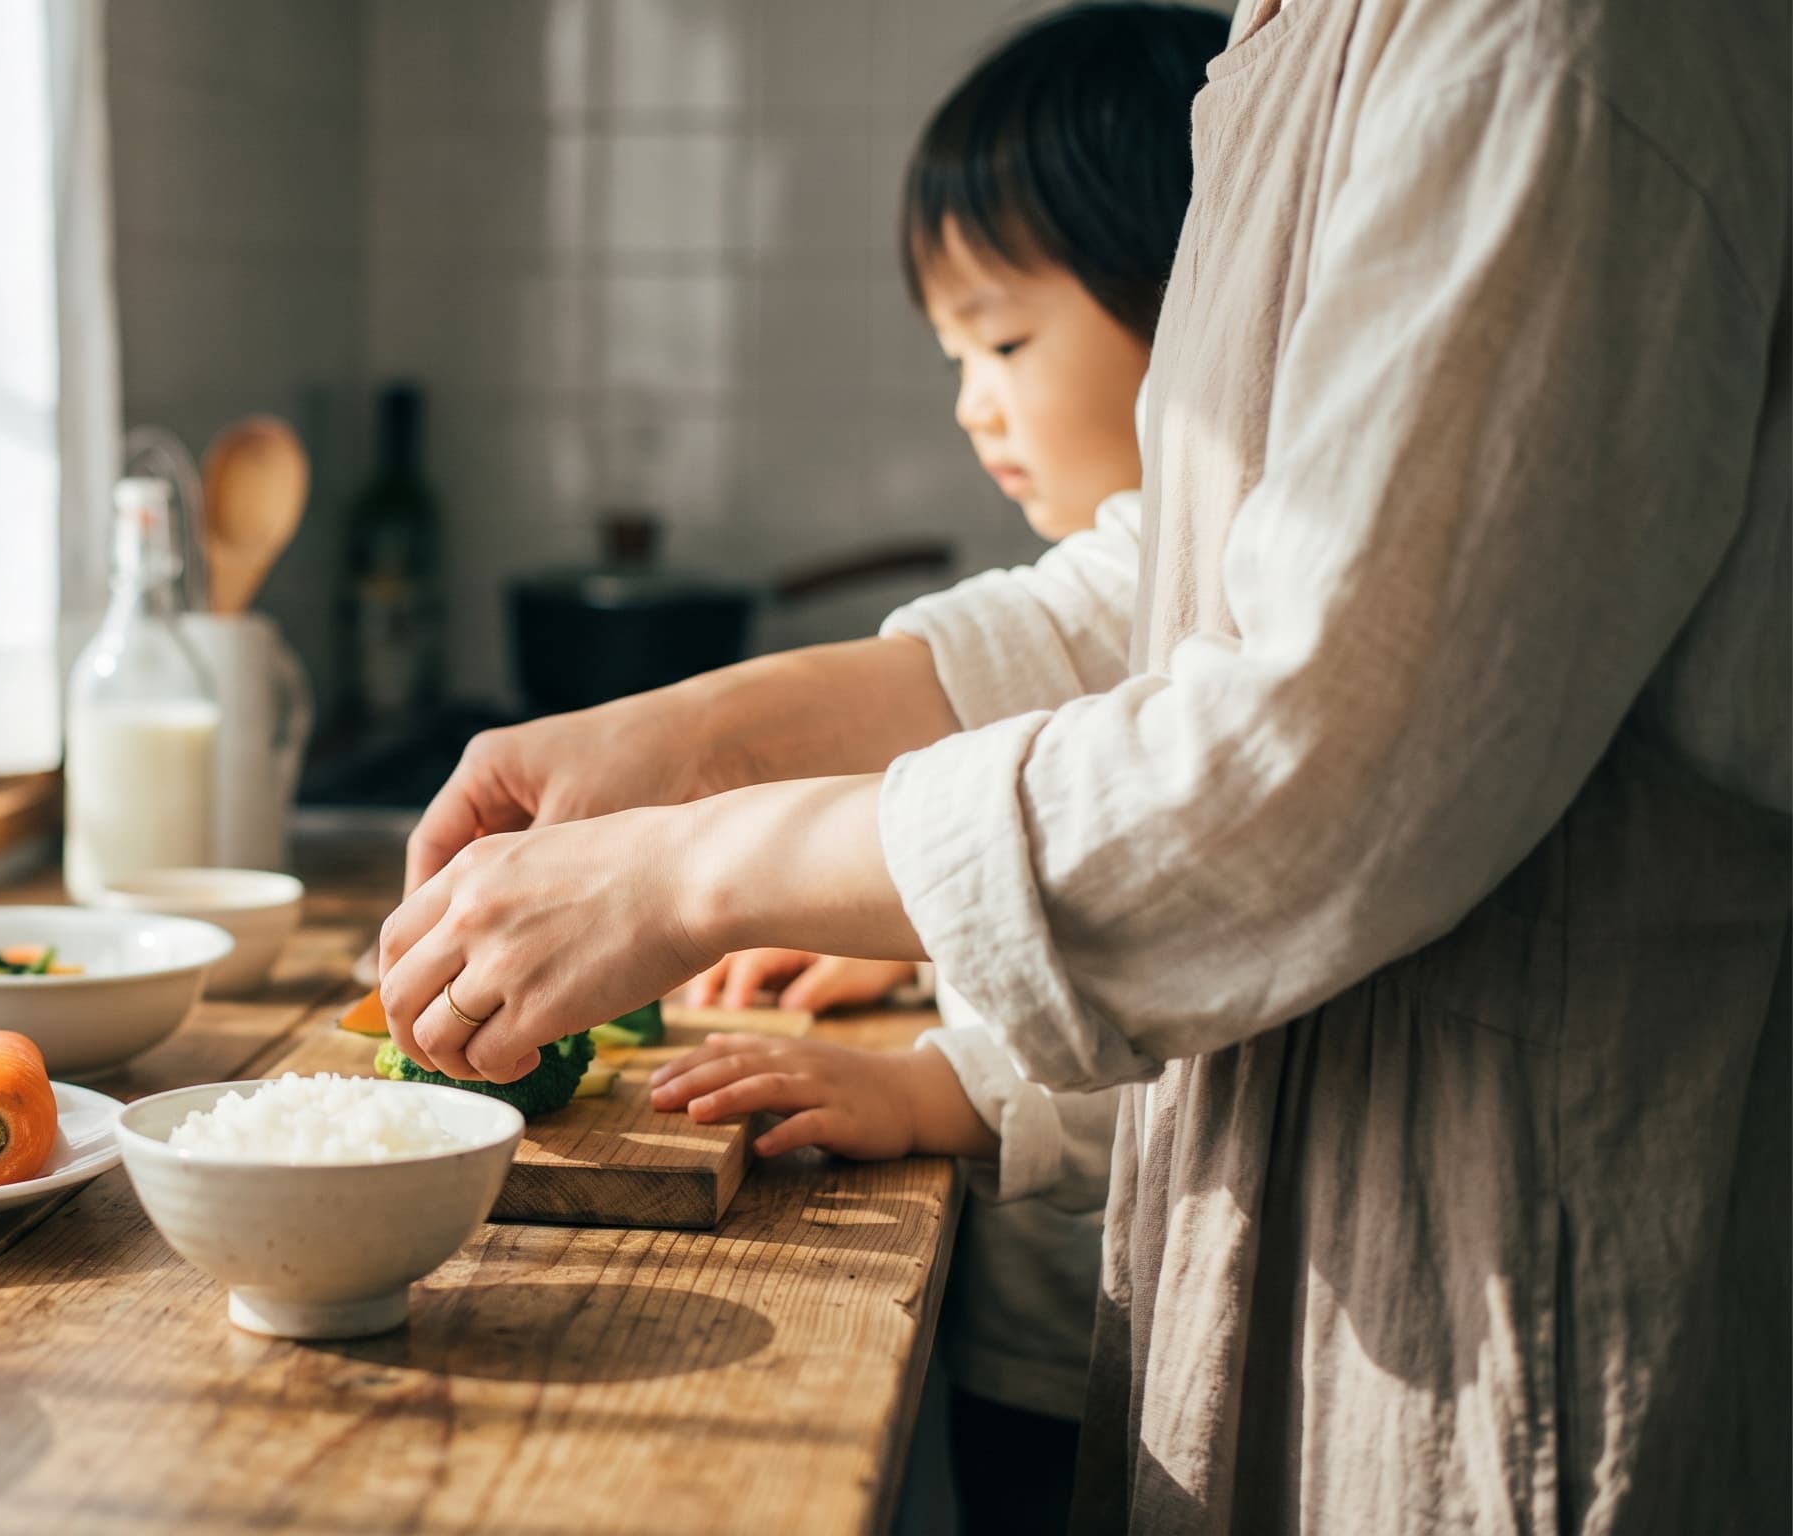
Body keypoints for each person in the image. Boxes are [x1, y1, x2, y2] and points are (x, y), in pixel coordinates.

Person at [374, 0, 1790, 1524]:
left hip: (1505, 1284)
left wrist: (691, 871)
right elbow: (1163, 591)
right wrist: (687, 739)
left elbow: (1309, 754)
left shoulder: (1547, 35)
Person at [691, 8, 1227, 1531]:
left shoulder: (1235, 620)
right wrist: (905, 925)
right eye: (954, 353)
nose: (971, 401)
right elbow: (1043, 858)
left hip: (1097, 1361)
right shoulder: (1118, 579)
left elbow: (1209, 1017)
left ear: (1196, 307)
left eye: (1003, 340)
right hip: (1034, 1321)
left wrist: (940, 1087)